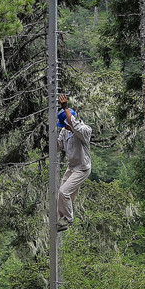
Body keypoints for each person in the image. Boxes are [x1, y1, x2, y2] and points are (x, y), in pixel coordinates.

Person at [55, 93, 92, 230]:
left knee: (63, 192)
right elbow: (57, 147)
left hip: (82, 168)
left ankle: (68, 219)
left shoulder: (84, 130)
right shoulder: (64, 132)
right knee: (62, 195)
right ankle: (60, 219)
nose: (63, 128)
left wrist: (65, 107)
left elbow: (76, 127)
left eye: (64, 125)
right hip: (72, 168)